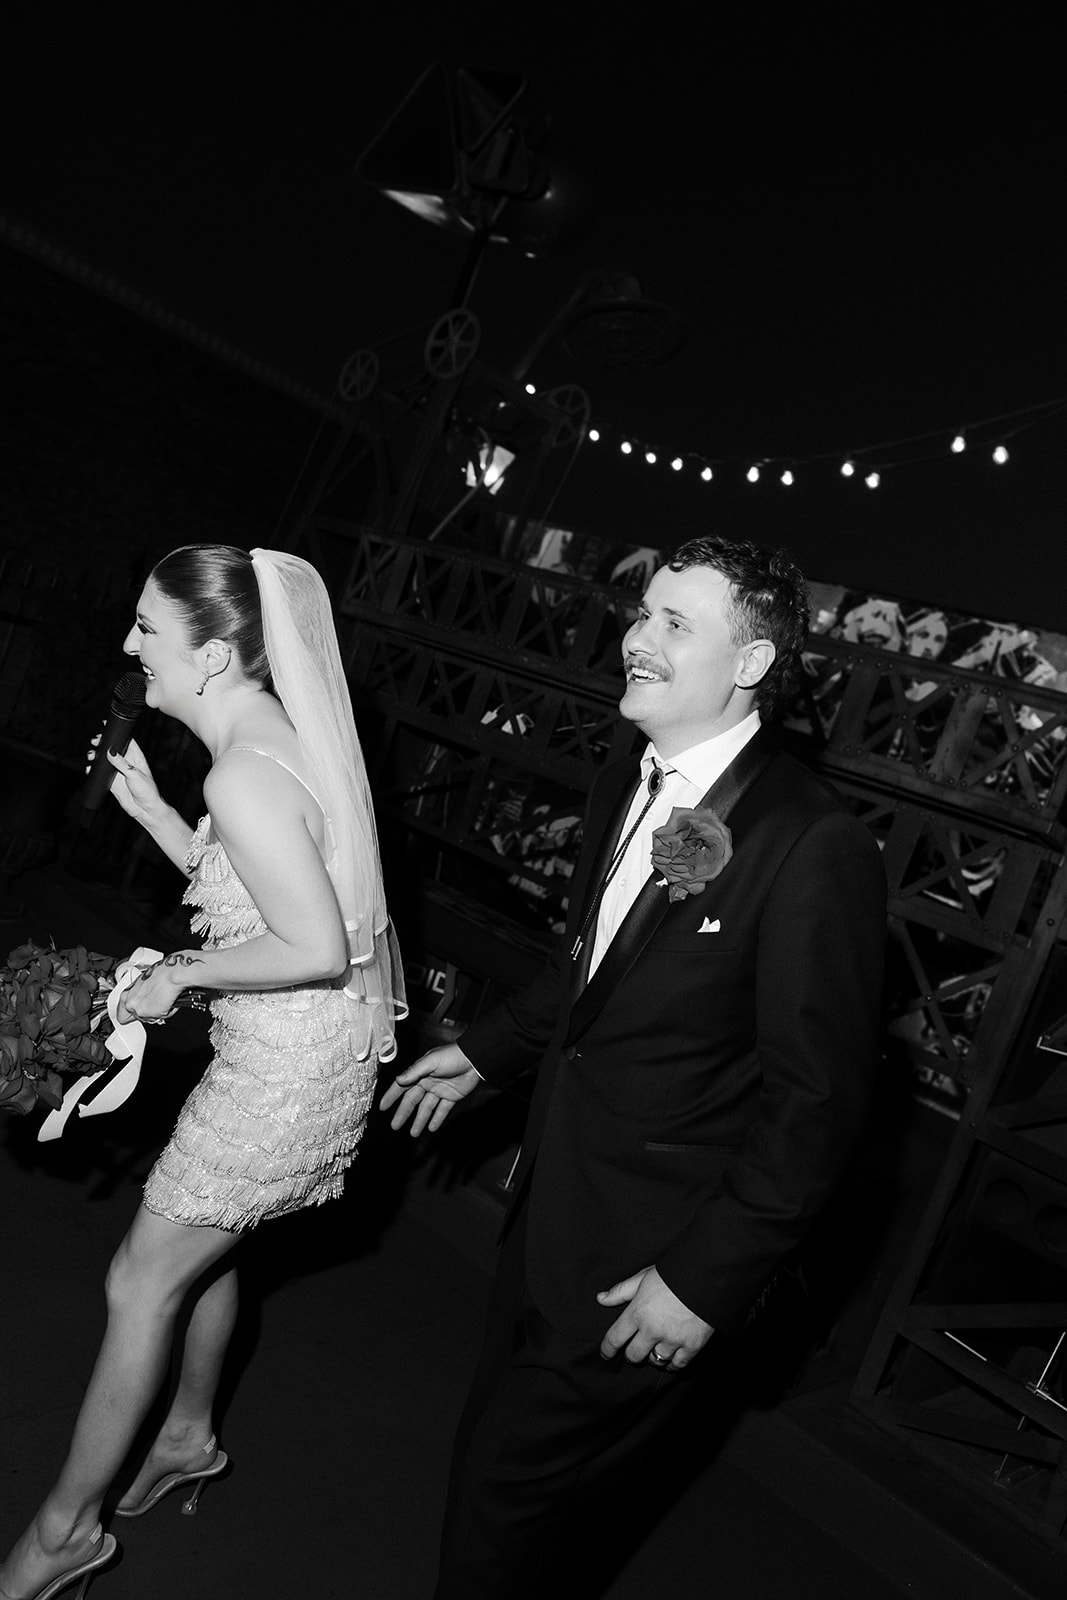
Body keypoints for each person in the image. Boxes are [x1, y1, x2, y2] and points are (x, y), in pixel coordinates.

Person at [382, 534, 886, 1599]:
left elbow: (816, 1107)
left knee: (503, 1515)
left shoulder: (810, 843)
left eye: (673, 622)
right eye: (642, 612)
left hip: (646, 1266)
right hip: (548, 1211)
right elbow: (590, 967)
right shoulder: (630, 776)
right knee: (501, 1491)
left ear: (749, 663)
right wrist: (483, 1053)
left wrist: (703, 1281)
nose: (635, 637)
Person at [0, 544, 405, 1600]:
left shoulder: (242, 770)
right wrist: (156, 818)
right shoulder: (263, 744)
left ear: (214, 654)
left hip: (283, 1077)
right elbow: (258, 886)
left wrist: (175, 974)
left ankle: (63, 1534)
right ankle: (184, 1435)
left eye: (147, 625)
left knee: (139, 1280)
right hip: (305, 1055)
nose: (129, 642)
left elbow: (312, 943)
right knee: (207, 1253)